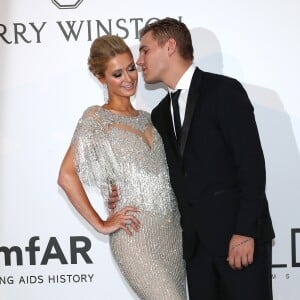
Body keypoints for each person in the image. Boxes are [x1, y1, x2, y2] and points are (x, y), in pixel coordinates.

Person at [109, 18, 275, 300]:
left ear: (170, 46)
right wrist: (122, 192)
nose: (139, 61)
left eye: (145, 50)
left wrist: (245, 232)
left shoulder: (223, 91)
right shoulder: (160, 114)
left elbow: (251, 166)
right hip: (196, 250)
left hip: (238, 239)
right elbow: (165, 175)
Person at [57, 35, 187, 299]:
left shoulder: (150, 119)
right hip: (134, 234)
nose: (128, 78)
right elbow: (66, 176)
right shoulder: (96, 119)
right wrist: (101, 223)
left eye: (130, 68)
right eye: (117, 74)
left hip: (173, 233)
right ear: (101, 78)